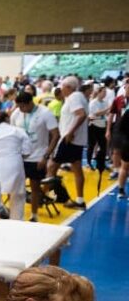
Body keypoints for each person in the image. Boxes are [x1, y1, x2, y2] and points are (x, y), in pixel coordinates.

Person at [11, 91, 59, 221]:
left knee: (35, 188)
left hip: (38, 157)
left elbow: (55, 135)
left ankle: (34, 215)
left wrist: (46, 156)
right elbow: (12, 134)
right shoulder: (16, 114)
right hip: (20, 157)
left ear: (29, 103)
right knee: (16, 188)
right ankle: (15, 216)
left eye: (22, 106)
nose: (20, 109)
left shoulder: (45, 113)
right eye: (18, 106)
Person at [0, 111, 31, 220]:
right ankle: (17, 222)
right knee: (17, 197)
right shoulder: (18, 131)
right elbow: (27, 152)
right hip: (14, 165)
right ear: (7, 119)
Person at [48, 76, 89, 209]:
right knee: (76, 168)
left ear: (69, 87)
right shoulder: (78, 97)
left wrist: (70, 132)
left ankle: (48, 194)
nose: (61, 89)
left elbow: (81, 114)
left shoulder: (74, 97)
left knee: (52, 167)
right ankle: (79, 200)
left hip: (69, 139)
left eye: (62, 86)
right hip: (76, 140)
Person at [87, 84, 110, 170]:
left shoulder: (105, 102)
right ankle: (89, 163)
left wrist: (107, 111)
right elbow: (96, 113)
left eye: (106, 92)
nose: (105, 94)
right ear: (99, 92)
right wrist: (107, 109)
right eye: (103, 92)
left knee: (103, 146)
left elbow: (106, 114)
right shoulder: (93, 102)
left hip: (102, 126)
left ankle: (101, 163)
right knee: (91, 145)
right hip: (93, 126)